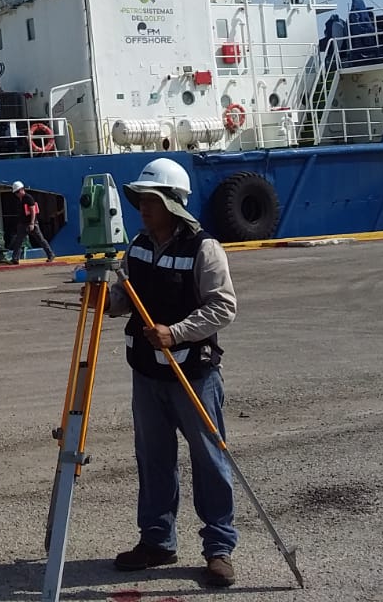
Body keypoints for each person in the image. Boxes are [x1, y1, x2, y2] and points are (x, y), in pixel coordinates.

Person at [108, 158, 239, 588]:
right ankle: (157, 541)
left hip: (193, 376)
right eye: (141, 200)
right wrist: (107, 299)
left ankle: (219, 548)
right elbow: (127, 297)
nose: (142, 207)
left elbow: (223, 307)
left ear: (174, 204)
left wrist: (177, 332)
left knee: (209, 460)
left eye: (152, 200)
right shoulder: (139, 245)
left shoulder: (205, 248)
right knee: (153, 459)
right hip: (146, 375)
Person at [9, 180, 55, 263]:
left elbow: (33, 210)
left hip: (30, 223)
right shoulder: (20, 200)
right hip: (22, 224)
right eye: (15, 192)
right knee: (18, 241)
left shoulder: (28, 198)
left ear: (22, 189)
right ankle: (15, 259)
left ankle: (50, 255)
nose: (17, 194)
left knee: (41, 240)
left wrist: (32, 223)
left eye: (18, 191)